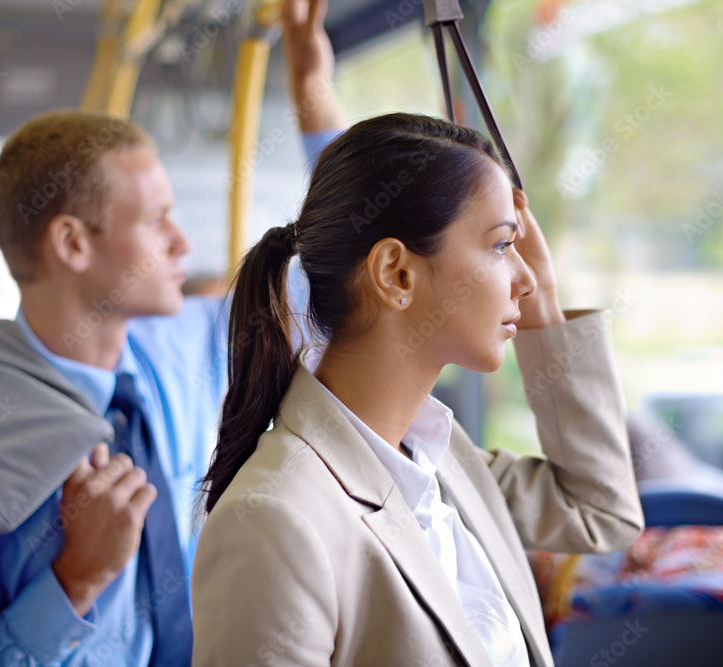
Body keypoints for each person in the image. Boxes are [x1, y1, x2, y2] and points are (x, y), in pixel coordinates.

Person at [0, 0, 334, 663]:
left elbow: (332, 282)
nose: (183, 241)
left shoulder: (173, 352)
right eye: (156, 220)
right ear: (71, 243)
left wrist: (313, 92)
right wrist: (77, 579)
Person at [192, 72, 644, 667]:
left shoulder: (443, 462)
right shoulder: (274, 520)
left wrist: (548, 305)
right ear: (397, 274)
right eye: (502, 247)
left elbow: (600, 512)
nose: (526, 280)